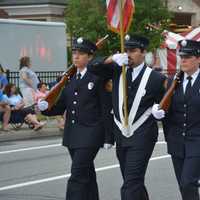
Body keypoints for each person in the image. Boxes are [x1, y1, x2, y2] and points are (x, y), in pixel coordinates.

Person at [87, 34, 166, 200]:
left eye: (133, 50)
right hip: (122, 135)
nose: (128, 54)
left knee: (131, 183)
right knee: (133, 181)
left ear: (143, 52)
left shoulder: (156, 78)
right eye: (126, 50)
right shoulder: (117, 70)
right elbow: (92, 66)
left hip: (143, 136)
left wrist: (159, 110)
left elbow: (164, 105)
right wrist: (111, 59)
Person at [38, 37, 114, 200]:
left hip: (91, 134)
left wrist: (109, 136)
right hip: (73, 135)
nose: (76, 57)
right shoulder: (69, 80)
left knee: (77, 176)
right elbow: (61, 106)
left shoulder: (97, 78)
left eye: (81, 53)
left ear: (90, 56)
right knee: (86, 174)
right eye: (74, 53)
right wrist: (45, 108)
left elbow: (105, 109)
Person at [152, 39, 200, 200]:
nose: (183, 60)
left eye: (188, 57)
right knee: (183, 184)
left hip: (197, 141)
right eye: (182, 57)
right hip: (177, 141)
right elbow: (169, 108)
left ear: (198, 58)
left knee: (188, 182)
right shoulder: (174, 81)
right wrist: (160, 113)